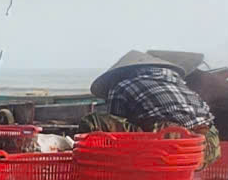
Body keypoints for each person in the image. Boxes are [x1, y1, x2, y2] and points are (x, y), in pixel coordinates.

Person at [89, 48, 219, 164]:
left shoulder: (122, 86)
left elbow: (115, 132)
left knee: (95, 121)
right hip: (208, 146)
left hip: (173, 145)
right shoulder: (176, 81)